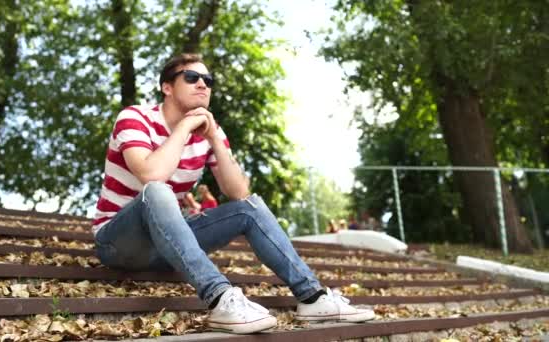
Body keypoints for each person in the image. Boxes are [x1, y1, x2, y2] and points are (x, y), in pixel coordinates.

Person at [91, 53, 375, 334]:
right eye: (191, 78)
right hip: (118, 243)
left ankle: (313, 297)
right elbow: (151, 174)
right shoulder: (134, 117)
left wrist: (214, 137)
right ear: (167, 87)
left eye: (208, 80)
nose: (202, 84)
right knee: (157, 191)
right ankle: (219, 298)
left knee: (249, 207)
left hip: (168, 245)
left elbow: (238, 191)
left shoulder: (210, 133)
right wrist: (185, 126)